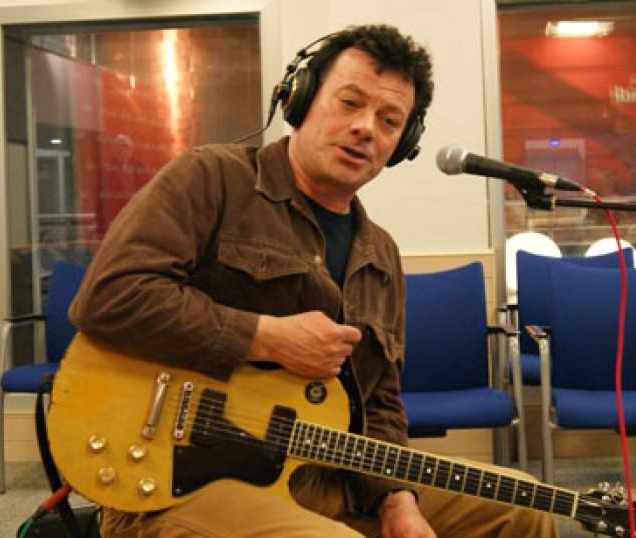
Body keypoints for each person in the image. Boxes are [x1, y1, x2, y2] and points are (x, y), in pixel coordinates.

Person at [69, 24, 559, 537]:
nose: (366, 128)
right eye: (349, 103)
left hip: (324, 477)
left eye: (390, 120)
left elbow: (379, 400)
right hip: (176, 478)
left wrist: (394, 498)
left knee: (522, 511)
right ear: (299, 100)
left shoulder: (380, 254)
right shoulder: (211, 178)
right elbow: (108, 298)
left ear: (402, 144)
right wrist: (264, 337)